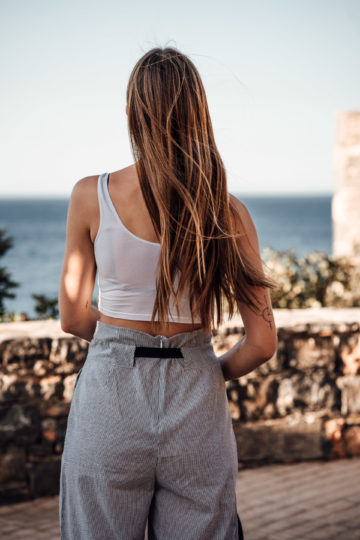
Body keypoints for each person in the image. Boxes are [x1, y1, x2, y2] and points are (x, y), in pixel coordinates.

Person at [58, 47, 278, 540]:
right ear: (197, 112)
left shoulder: (90, 195)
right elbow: (262, 343)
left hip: (110, 396)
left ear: (134, 113)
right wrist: (201, 370)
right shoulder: (228, 210)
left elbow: (73, 318)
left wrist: (120, 336)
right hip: (195, 395)